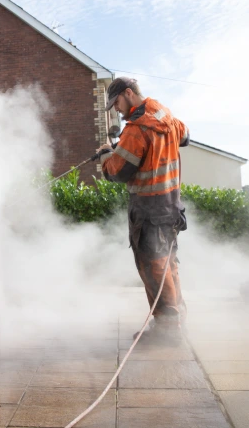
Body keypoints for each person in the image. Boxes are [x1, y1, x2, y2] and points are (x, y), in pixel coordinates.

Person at [97, 77, 190, 346]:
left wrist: (106, 156)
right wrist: (121, 148)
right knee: (168, 264)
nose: (116, 110)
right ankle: (177, 317)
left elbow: (119, 171)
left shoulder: (136, 129)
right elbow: (184, 137)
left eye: (116, 103)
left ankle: (168, 329)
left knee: (154, 268)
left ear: (128, 93)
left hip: (149, 210)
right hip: (171, 206)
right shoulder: (165, 114)